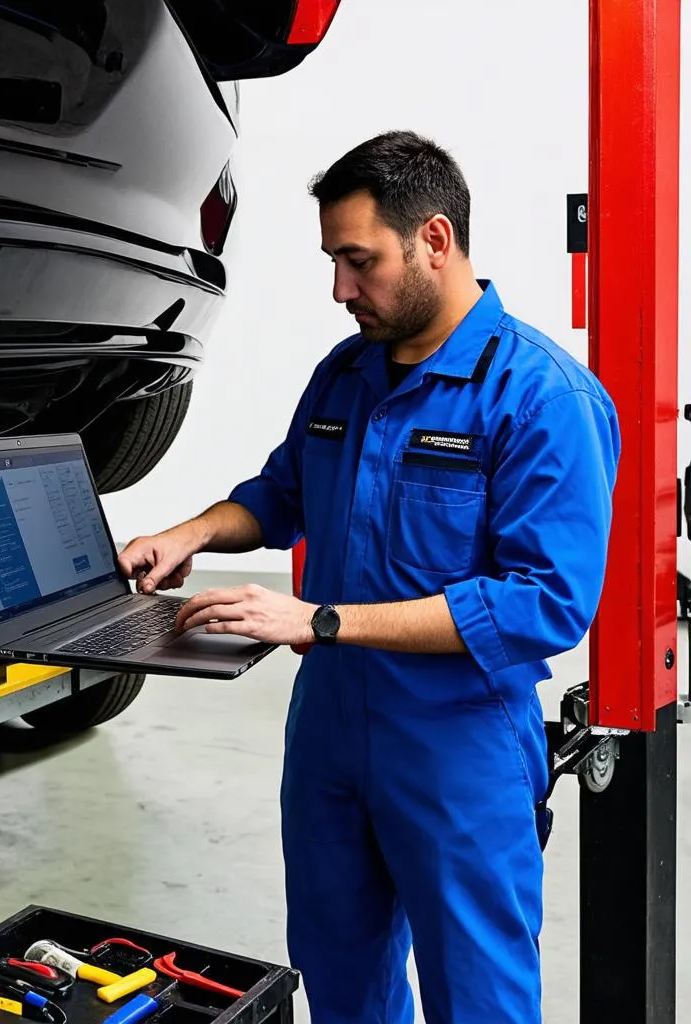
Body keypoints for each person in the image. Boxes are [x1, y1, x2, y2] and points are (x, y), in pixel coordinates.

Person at [117, 130, 621, 1024]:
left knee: (478, 998)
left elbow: (546, 602)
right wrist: (188, 530)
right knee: (338, 976)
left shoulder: (543, 398)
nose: (341, 289)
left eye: (359, 261)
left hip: (457, 744)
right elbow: (279, 495)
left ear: (434, 239)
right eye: (334, 262)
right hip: (332, 736)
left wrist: (319, 621)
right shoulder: (344, 375)